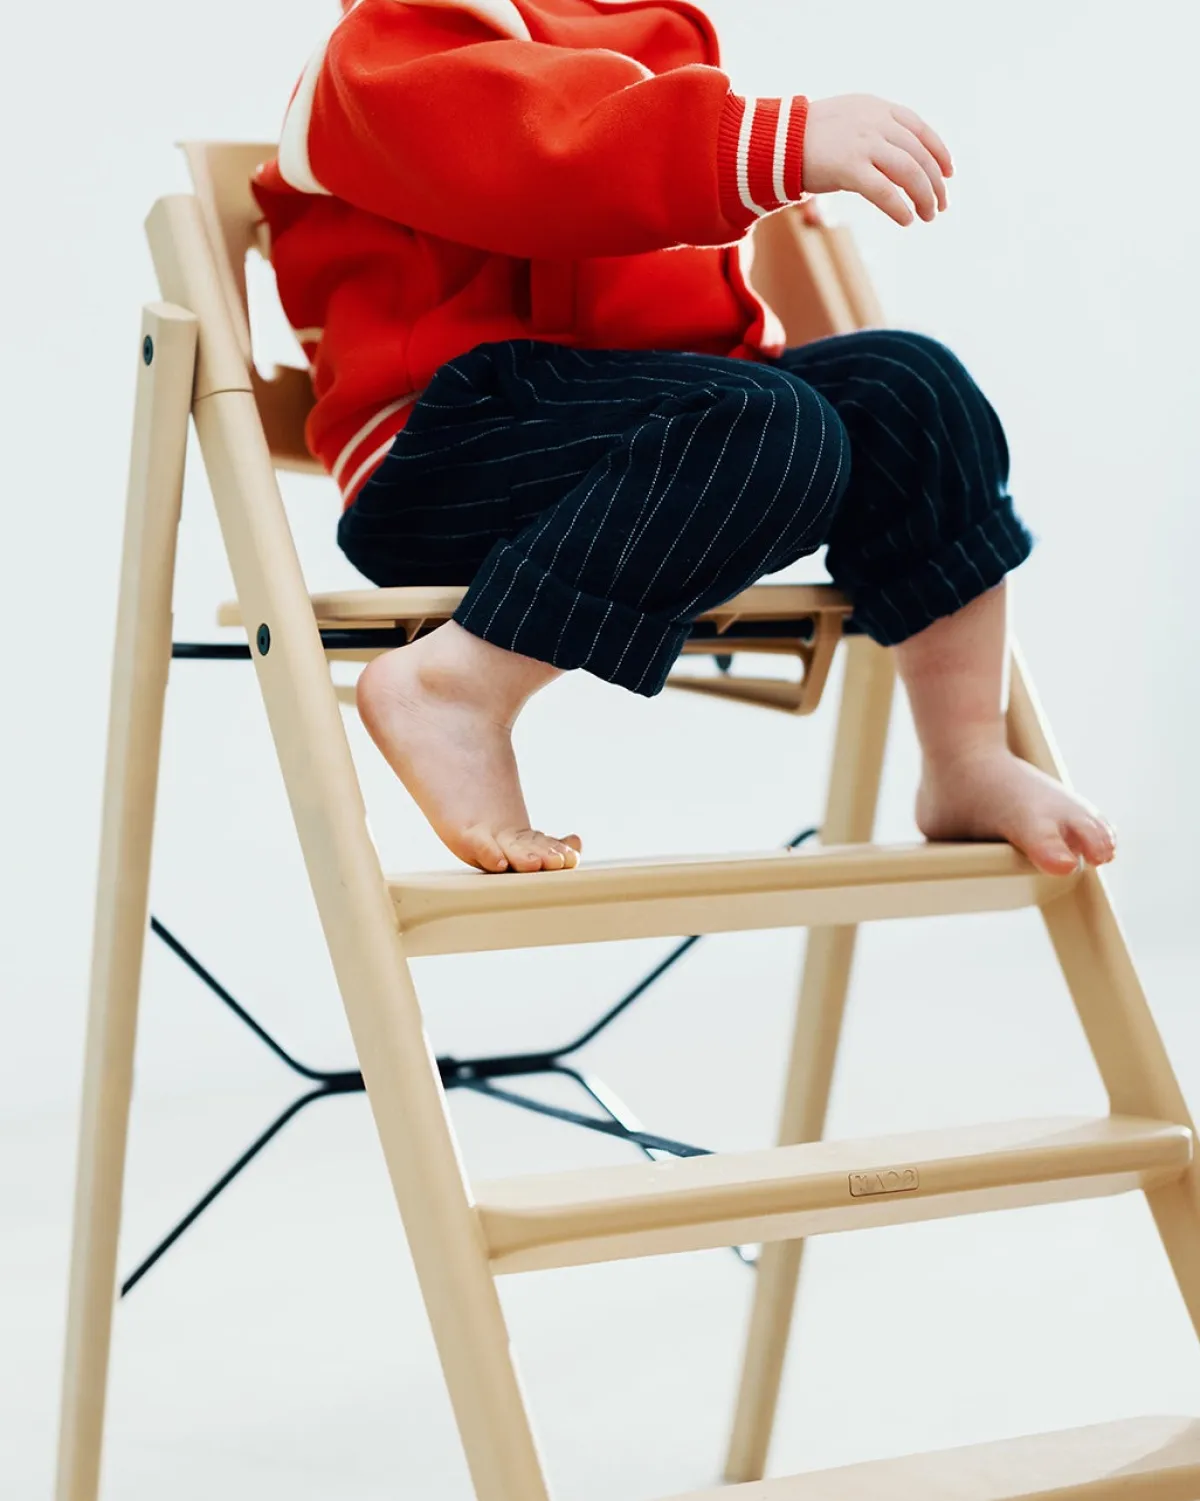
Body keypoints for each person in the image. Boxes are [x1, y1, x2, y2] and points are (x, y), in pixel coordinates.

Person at [252, 0, 1115, 877]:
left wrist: (760, 172)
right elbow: (544, 155)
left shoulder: (646, 27)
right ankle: (455, 685)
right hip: (447, 448)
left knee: (911, 388)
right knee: (774, 423)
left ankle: (966, 755)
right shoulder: (390, 41)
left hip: (636, 431)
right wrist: (767, 145)